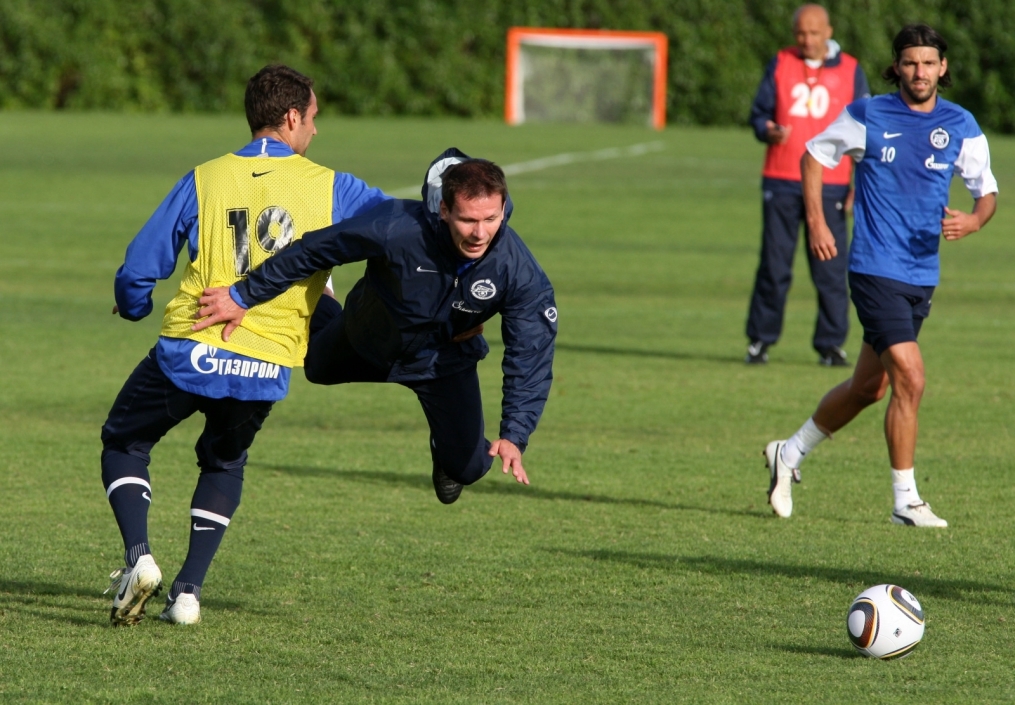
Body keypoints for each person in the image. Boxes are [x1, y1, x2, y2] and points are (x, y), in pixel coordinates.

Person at [101, 65, 390, 626]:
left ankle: (139, 558)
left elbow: (140, 267)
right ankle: (187, 592)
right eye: (312, 119)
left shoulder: (206, 177)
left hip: (190, 350)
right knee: (225, 459)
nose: (314, 131)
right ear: (289, 118)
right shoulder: (335, 188)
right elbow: (407, 226)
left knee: (125, 441)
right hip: (265, 362)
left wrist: (133, 304)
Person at [192, 149, 557, 506]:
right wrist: (243, 296)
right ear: (444, 210)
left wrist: (515, 434)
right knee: (317, 369)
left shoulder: (517, 269)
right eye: (468, 220)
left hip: (444, 361)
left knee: (470, 468)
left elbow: (531, 351)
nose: (480, 233)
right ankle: (324, 299)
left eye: (491, 219)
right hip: (366, 338)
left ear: (503, 208)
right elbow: (313, 251)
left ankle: (444, 448)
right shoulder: (397, 226)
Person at [764, 24, 997, 526]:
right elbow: (811, 155)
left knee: (868, 388)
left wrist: (974, 219)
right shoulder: (869, 112)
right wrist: (818, 221)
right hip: (874, 268)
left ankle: (789, 453)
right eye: (910, 62)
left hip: (920, 274)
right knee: (910, 378)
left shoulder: (961, 124)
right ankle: (904, 501)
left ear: (943, 68)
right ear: (898, 66)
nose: (919, 71)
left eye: (928, 63)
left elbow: (987, 191)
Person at [745, 4, 870, 365]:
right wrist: (767, 129)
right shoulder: (780, 62)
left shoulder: (850, 69)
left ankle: (831, 345)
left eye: (814, 33)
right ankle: (760, 340)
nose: (807, 40)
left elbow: (865, 131)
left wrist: (856, 186)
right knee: (774, 266)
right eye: (801, 33)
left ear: (829, 32)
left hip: (830, 183)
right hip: (782, 179)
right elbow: (759, 113)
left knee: (831, 269)